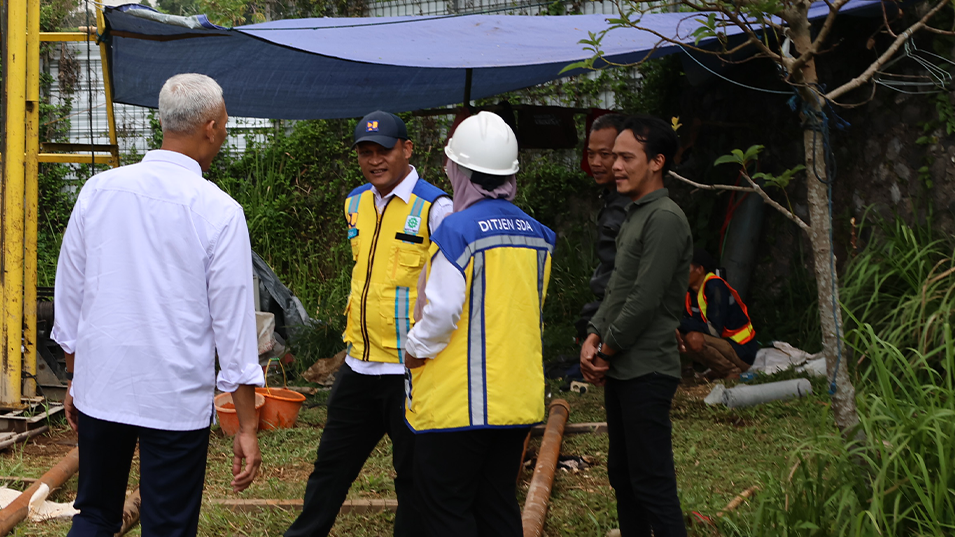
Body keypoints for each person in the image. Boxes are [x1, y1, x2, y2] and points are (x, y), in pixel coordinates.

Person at [52, 73, 263, 537]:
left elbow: (70, 294)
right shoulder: (219, 211)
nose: (226, 129)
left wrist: (75, 376)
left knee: (94, 514)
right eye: (224, 120)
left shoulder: (99, 190)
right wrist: (246, 425)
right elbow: (234, 325)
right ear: (210, 125)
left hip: (103, 386)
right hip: (172, 398)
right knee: (168, 525)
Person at [283, 111, 452, 537]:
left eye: (384, 150)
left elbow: (451, 291)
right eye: (365, 152)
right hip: (358, 367)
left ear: (407, 150)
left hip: (410, 372)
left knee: (412, 476)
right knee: (330, 470)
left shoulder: (436, 208)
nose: (374, 160)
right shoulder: (355, 203)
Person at [404, 111, 556, 537]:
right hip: (517, 400)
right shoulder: (538, 234)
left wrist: (414, 350)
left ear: (459, 171)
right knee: (496, 505)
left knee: (447, 509)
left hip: (458, 404)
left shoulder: (455, 231)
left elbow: (443, 310)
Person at [580, 115, 692, 537]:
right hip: (624, 370)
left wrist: (605, 350)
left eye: (627, 157)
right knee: (623, 477)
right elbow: (617, 289)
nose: (616, 166)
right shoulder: (635, 212)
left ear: (658, 162)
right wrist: (594, 334)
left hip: (648, 369)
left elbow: (644, 300)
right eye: (614, 157)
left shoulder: (664, 218)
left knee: (652, 482)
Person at [576, 112, 634, 348]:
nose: (596, 162)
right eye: (591, 154)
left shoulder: (633, 204)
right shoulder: (612, 198)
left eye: (605, 155)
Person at [677, 249, 759, 380]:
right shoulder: (690, 292)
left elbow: (713, 330)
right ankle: (713, 369)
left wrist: (677, 321)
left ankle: (732, 371)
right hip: (724, 346)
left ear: (699, 270)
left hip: (742, 350)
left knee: (694, 338)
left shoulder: (715, 287)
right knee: (676, 334)